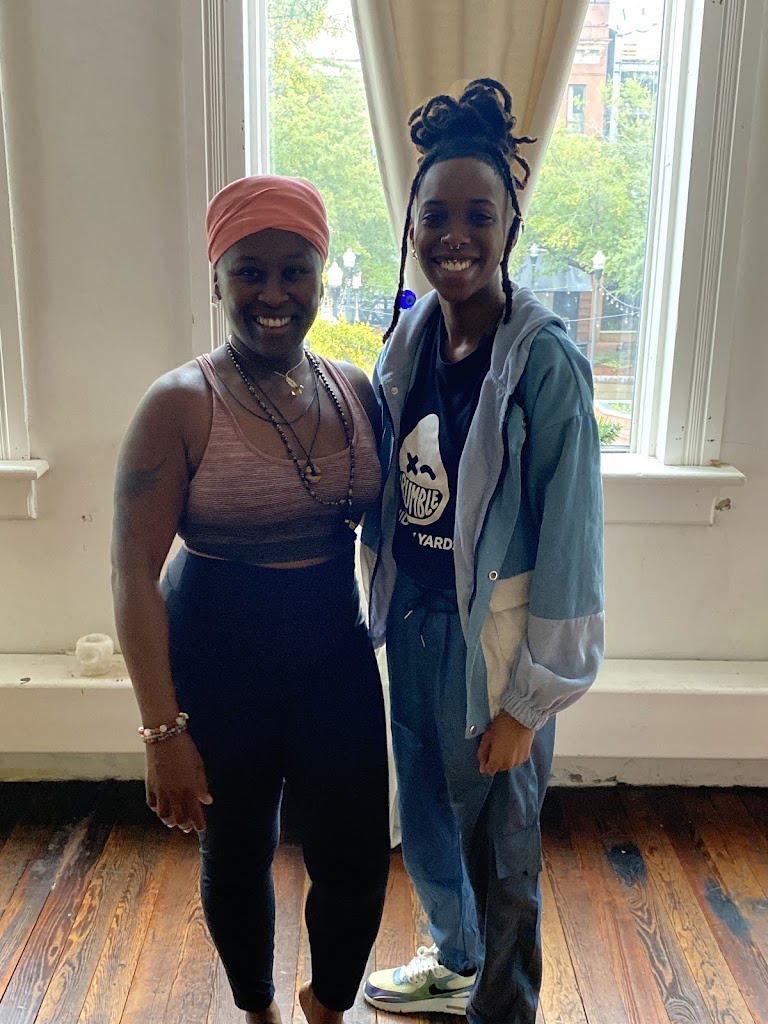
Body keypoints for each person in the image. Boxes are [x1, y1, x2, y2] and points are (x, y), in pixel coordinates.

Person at [111, 175, 390, 1024]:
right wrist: (162, 732)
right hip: (218, 662)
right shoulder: (180, 404)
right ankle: (257, 1008)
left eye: (294, 270)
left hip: (332, 653)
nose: (274, 293)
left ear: (321, 276)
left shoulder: (354, 389)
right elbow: (131, 572)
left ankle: (327, 1004)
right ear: (218, 279)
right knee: (238, 852)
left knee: (357, 857)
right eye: (250, 272)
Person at [360, 79, 604, 1024]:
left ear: (509, 227)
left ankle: (504, 1006)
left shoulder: (545, 365)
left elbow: (574, 544)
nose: (454, 234)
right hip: (415, 621)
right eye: (435, 215)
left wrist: (528, 706)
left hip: (493, 646)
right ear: (412, 225)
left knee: (501, 843)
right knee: (424, 807)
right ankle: (455, 961)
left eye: (478, 215)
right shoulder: (409, 344)